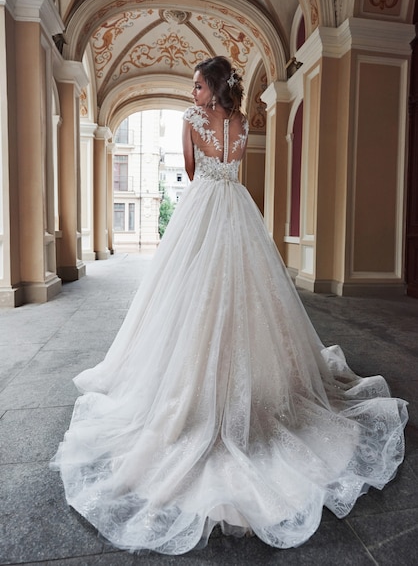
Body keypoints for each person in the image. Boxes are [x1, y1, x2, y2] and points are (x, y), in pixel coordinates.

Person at [51, 56, 408, 555]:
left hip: (203, 209)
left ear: (212, 87)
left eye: (197, 84)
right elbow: (233, 166)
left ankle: (193, 382)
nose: (192, 91)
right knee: (249, 293)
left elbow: (194, 172)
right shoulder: (240, 122)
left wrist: (202, 144)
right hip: (239, 209)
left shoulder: (191, 121)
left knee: (188, 293)